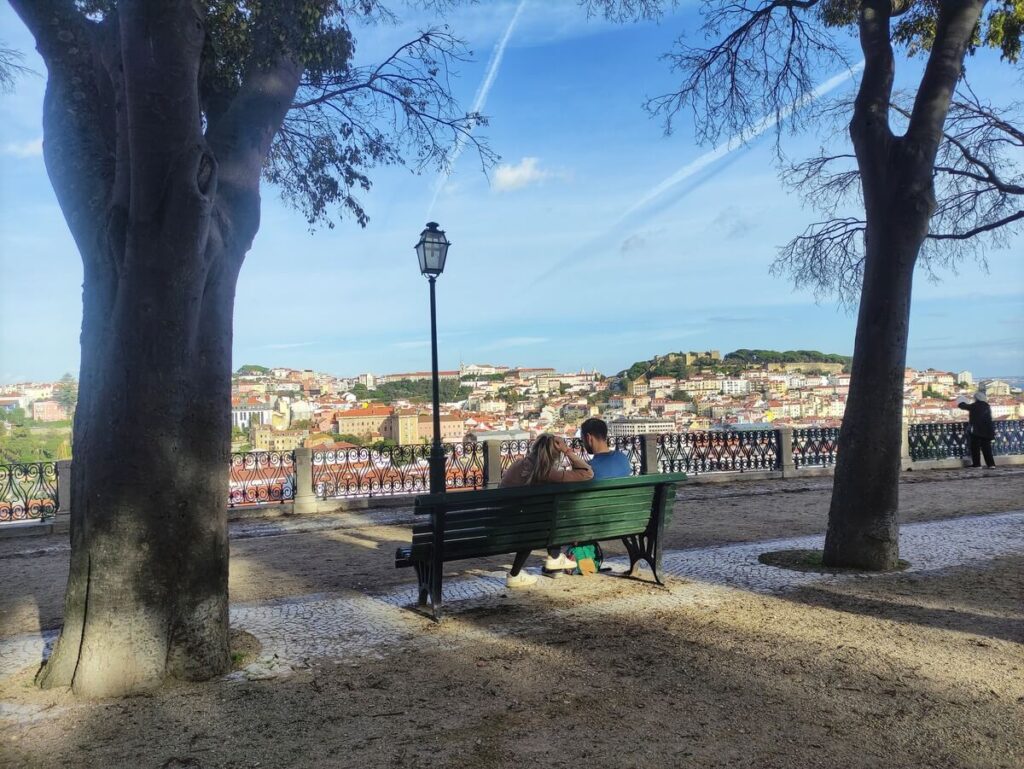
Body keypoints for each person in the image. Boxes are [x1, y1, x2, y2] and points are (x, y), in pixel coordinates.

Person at [499, 434, 594, 587]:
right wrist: (567, 450)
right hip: (522, 527)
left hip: (503, 522)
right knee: (552, 514)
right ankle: (553, 559)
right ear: (554, 455)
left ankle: (552, 562)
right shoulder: (547, 473)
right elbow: (587, 473)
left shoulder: (517, 465)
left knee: (540, 516)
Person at [957, 391, 996, 468]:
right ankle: (991, 464)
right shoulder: (987, 406)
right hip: (987, 430)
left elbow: (963, 406)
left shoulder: (975, 405)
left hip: (976, 430)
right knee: (987, 449)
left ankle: (977, 464)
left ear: (976, 398)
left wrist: (961, 401)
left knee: (975, 448)